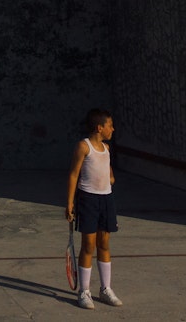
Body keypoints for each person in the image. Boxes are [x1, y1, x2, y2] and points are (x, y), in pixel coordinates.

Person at [66, 108, 123, 309]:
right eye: (110, 125)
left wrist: (110, 178)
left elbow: (109, 172)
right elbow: (73, 175)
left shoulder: (107, 149)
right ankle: (84, 292)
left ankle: (106, 289)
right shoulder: (83, 146)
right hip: (88, 200)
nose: (113, 129)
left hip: (106, 201)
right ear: (100, 127)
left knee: (104, 245)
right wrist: (70, 203)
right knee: (88, 246)